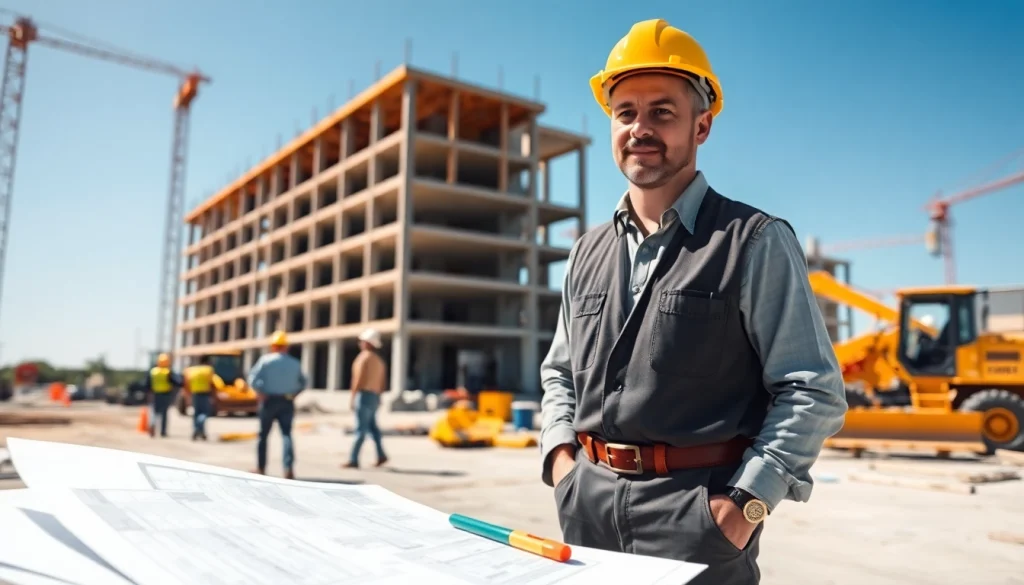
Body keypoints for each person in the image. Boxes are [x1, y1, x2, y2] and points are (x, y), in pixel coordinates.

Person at [538, 19, 848, 584]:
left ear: (702, 126)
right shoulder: (585, 251)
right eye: (625, 112)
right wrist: (562, 462)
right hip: (586, 505)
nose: (639, 128)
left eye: (662, 111)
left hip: (699, 518)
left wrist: (742, 508)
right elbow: (560, 373)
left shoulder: (753, 240)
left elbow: (812, 389)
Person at [248, 330, 307, 479]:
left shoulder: (265, 361)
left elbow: (252, 379)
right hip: (287, 401)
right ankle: (288, 468)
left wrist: (259, 393)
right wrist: (294, 394)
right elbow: (304, 382)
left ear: (273, 346)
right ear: (286, 347)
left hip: (268, 401)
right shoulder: (295, 363)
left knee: (263, 436)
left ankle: (261, 468)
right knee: (286, 434)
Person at [342, 328, 388, 469]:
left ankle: (353, 459)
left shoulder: (363, 358)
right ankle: (381, 455)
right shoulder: (379, 361)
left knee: (360, 429)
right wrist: (379, 397)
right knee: (373, 428)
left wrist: (353, 396)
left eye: (362, 341)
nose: (360, 343)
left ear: (368, 343)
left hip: (364, 395)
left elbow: (358, 379)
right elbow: (382, 382)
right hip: (374, 396)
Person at [183, 355, 225, 441]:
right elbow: (212, 384)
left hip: (195, 394)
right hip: (205, 394)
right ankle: (198, 428)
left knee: (196, 413)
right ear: (207, 361)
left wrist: (187, 396)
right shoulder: (208, 370)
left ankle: (199, 432)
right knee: (204, 413)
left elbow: (187, 383)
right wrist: (215, 396)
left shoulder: (192, 370)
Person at [145, 353, 183, 438]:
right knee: (164, 413)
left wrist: (148, 394)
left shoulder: (153, 371)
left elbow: (147, 384)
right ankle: (163, 432)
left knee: (154, 412)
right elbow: (177, 382)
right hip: (165, 394)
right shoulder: (168, 372)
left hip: (155, 394)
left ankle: (152, 424)